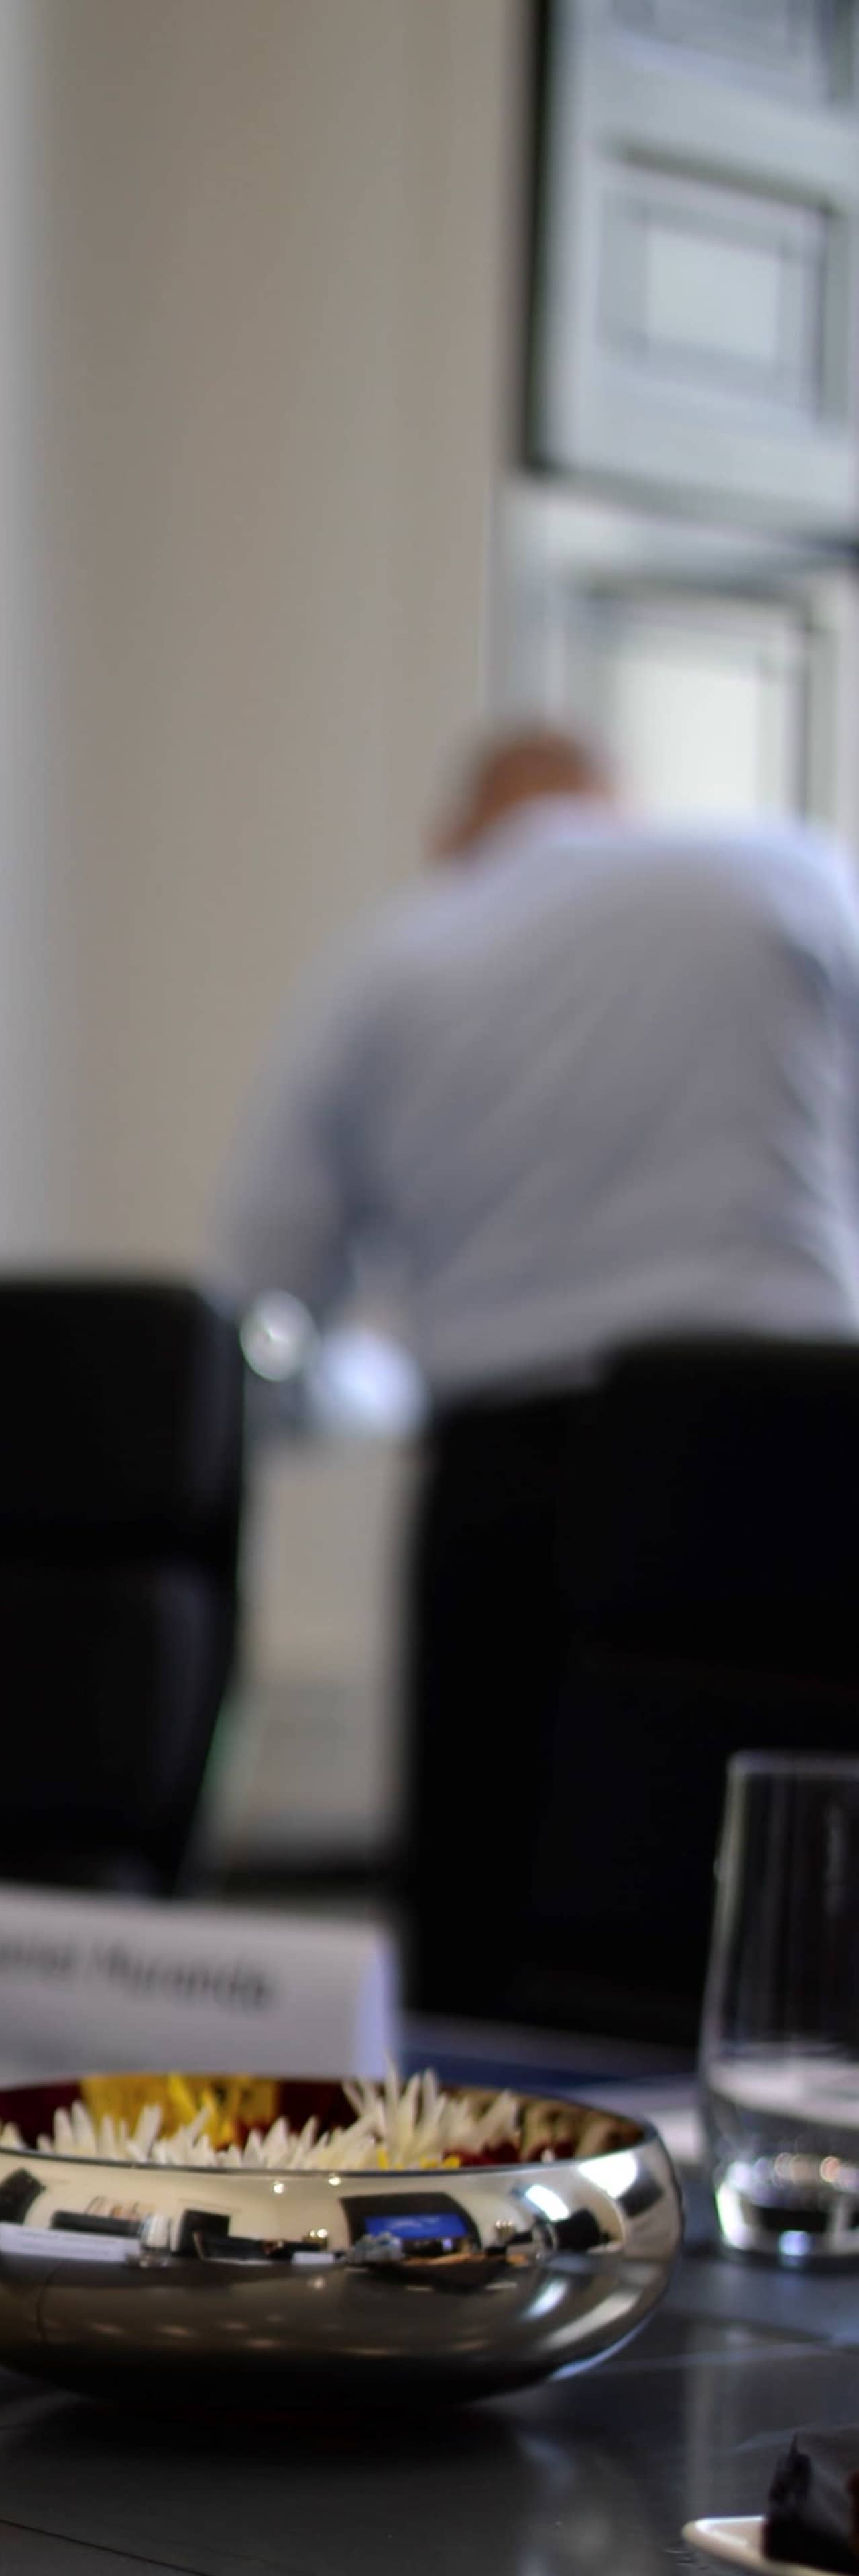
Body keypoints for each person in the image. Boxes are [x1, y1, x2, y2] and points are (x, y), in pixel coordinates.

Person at [207, 724, 859, 2015]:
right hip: (791, 1458)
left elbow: (263, 1309)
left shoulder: (397, 956)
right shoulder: (782, 878)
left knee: (490, 1933)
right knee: (794, 1922)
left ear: (461, 829)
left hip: (516, 1484)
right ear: (610, 802)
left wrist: (353, 1391)